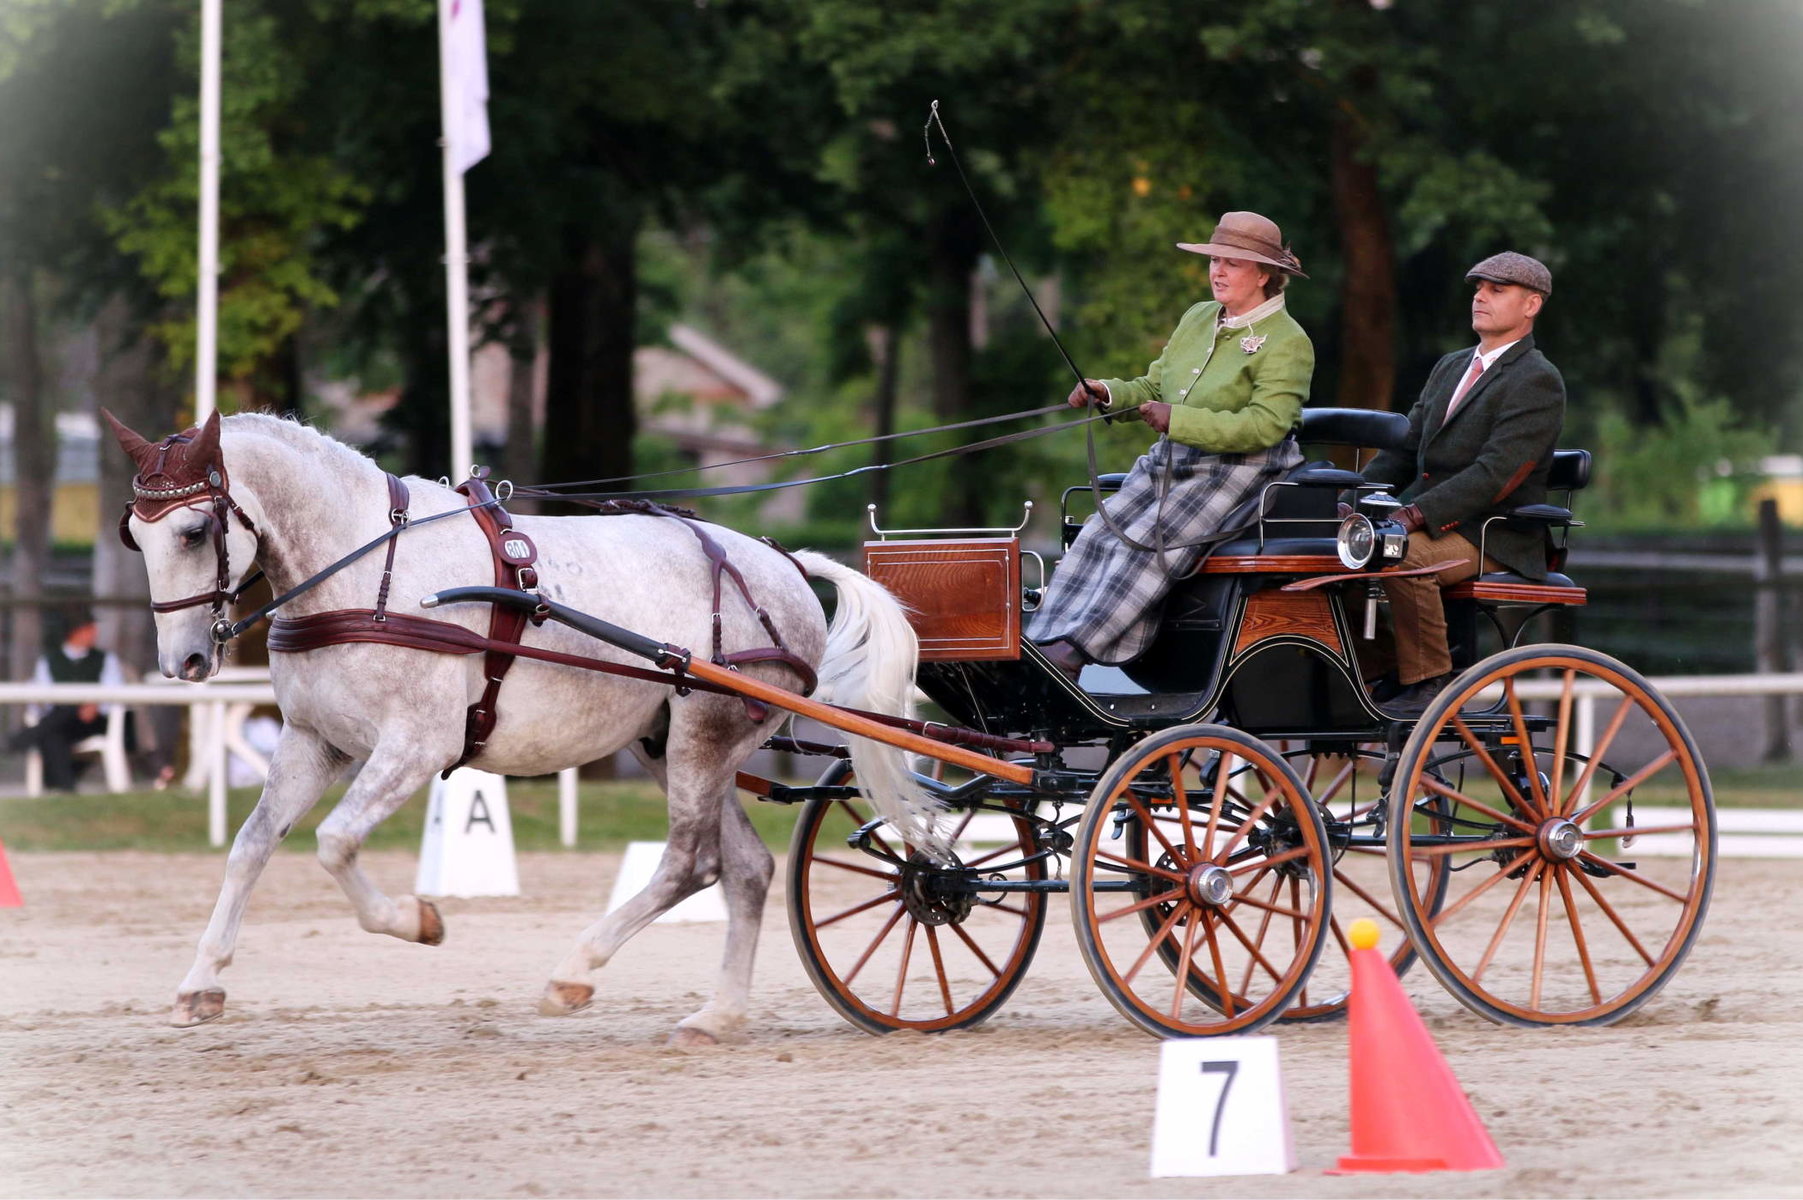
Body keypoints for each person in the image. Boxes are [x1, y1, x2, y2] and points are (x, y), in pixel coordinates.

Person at [1029, 211, 1314, 681]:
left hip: (1241, 468)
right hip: (1172, 458)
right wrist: (1109, 393)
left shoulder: (1289, 342)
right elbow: (1153, 385)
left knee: (1145, 542)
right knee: (1100, 534)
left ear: (1265, 275)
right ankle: (1045, 638)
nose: (1218, 272)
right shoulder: (1198, 317)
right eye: (1215, 260)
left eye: (1233, 264)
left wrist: (1177, 419)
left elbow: (1267, 426)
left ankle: (1076, 651)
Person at [1359, 251, 1566, 717]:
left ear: (1531, 305)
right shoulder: (1450, 367)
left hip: (1493, 531)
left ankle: (1432, 681)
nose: (1480, 296)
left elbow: (1497, 473)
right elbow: (1404, 449)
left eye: (1497, 289)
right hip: (1439, 522)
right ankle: (1379, 671)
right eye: (1478, 287)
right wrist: (1352, 498)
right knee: (1331, 556)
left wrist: (1414, 514)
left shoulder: (1538, 379)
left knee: (1402, 557)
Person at [11, 611, 126, 791]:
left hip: (91, 722)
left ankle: (20, 740)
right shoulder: (49, 661)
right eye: (89, 629)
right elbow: (43, 698)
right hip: (60, 722)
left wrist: (96, 705)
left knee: (51, 727)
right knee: (55, 729)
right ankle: (67, 790)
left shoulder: (105, 660)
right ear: (75, 632)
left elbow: (115, 691)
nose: (94, 634)